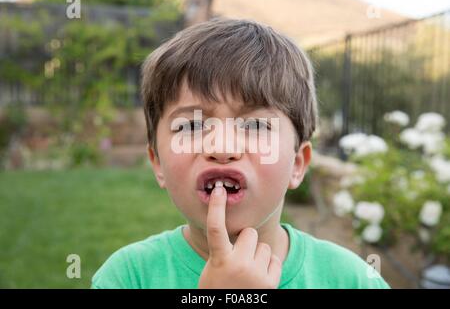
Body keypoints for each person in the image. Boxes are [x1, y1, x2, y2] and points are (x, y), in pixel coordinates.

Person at [91, 18, 390, 289]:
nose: (222, 148)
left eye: (256, 124)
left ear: (297, 164)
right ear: (157, 163)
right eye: (192, 125)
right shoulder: (127, 278)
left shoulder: (352, 280)